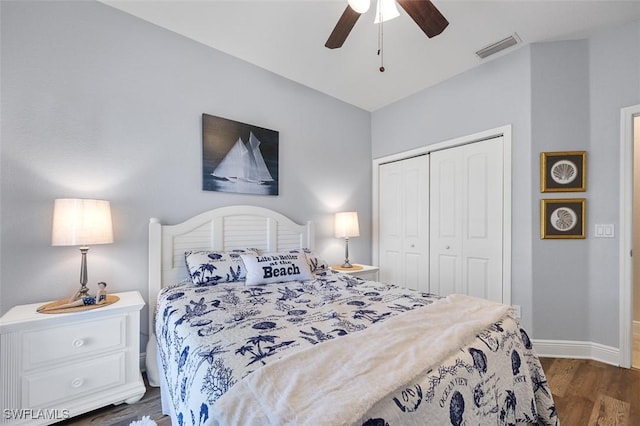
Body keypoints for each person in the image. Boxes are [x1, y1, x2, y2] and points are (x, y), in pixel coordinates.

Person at [41, 282, 108, 311]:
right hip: (86, 300)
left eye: (101, 286)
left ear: (104, 286)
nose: (100, 287)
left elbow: (104, 300)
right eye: (100, 286)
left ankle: (78, 290)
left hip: (89, 299)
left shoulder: (104, 292)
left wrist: (102, 302)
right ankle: (48, 309)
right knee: (69, 305)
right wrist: (101, 302)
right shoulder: (99, 292)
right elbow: (97, 303)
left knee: (69, 303)